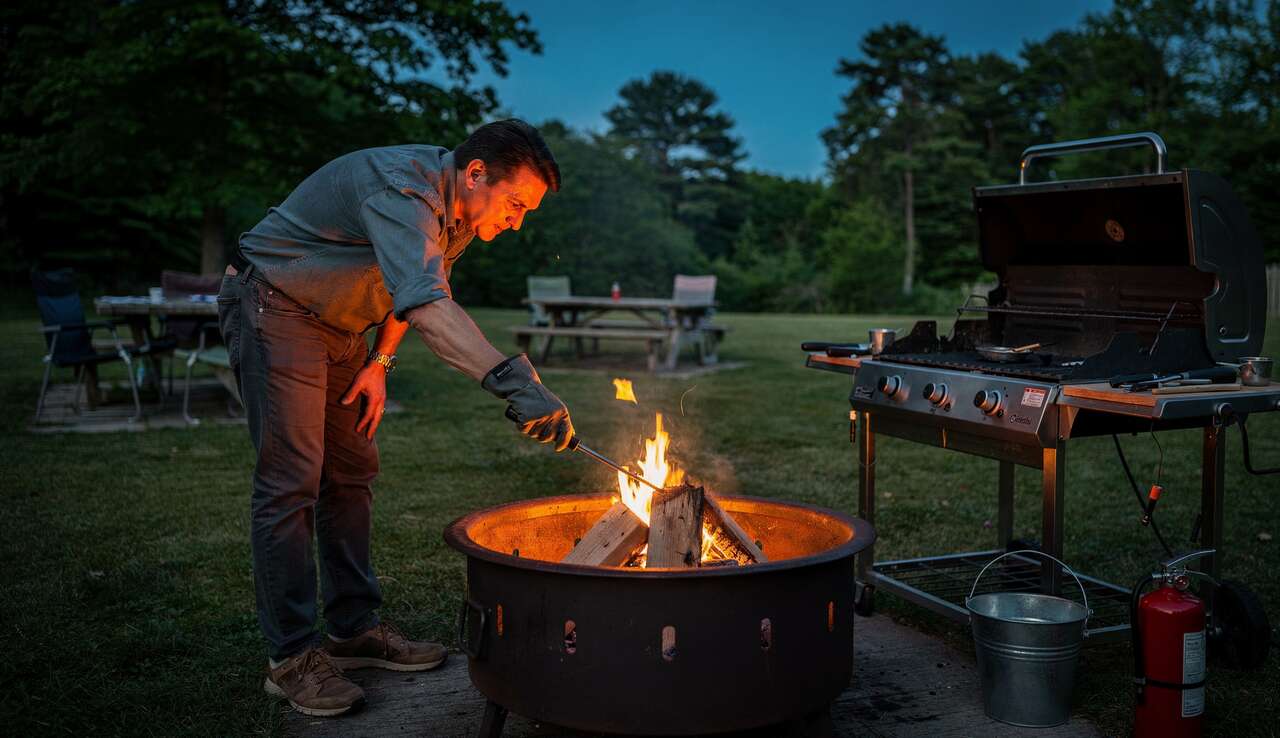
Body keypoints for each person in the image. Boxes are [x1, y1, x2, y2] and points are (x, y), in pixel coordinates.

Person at [217, 119, 574, 717]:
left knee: (352, 474)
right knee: (292, 481)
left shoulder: (453, 214)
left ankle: (353, 630)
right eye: (515, 204)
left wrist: (379, 362)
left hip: (342, 329)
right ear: (476, 172)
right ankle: (291, 659)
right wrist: (512, 378)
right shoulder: (402, 190)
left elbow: (417, 286)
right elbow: (428, 303)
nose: (518, 222)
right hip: (276, 306)